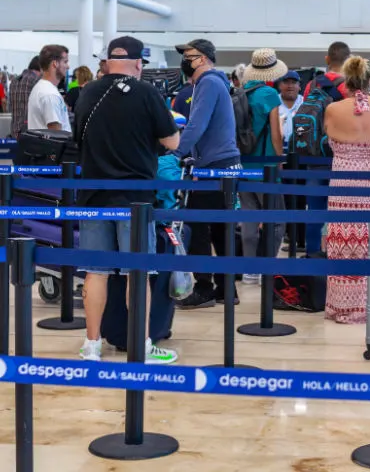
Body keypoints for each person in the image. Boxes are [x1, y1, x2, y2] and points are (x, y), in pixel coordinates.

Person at [74, 36, 180, 364]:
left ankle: (92, 345)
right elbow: (172, 141)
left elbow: (78, 137)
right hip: (134, 198)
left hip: (93, 194)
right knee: (138, 272)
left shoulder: (86, 92)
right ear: (138, 63)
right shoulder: (147, 93)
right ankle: (141, 346)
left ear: (108, 61)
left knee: (95, 272)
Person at [323, 55, 370, 324]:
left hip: (343, 185)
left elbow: (327, 135)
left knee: (343, 244)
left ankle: (342, 306)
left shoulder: (333, 109)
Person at [174, 39, 242, 309]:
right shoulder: (216, 82)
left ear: (201, 58)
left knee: (199, 226)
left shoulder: (209, 83)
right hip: (223, 163)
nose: (185, 60)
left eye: (188, 55)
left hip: (214, 166)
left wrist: (176, 153)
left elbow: (196, 124)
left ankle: (203, 288)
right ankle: (227, 289)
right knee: (220, 229)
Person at [238, 49, 286, 284]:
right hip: (266, 165)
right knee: (276, 219)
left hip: (243, 164)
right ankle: (267, 266)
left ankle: (249, 269)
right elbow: (276, 133)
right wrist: (280, 158)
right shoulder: (269, 94)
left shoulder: (240, 93)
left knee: (248, 218)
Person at [303, 41, 351, 256]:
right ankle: (338, 253)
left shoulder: (312, 85)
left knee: (314, 211)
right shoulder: (349, 86)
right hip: (342, 156)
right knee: (342, 210)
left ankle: (312, 253)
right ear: (348, 60)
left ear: (327, 59)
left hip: (314, 156)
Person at [27, 44, 70, 131]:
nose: (68, 66)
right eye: (65, 62)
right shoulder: (49, 94)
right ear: (55, 64)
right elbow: (56, 135)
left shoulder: (42, 88)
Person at [9, 55, 40, 138]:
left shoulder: (14, 81)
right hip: (30, 134)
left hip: (14, 132)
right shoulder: (36, 81)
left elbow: (10, 107)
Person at [278, 71, 304, 149]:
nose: (290, 86)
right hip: (277, 150)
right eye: (286, 82)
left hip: (301, 149)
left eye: (294, 82)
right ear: (280, 86)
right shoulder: (273, 102)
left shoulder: (305, 102)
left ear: (299, 86)